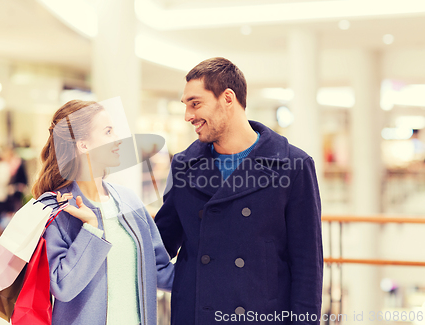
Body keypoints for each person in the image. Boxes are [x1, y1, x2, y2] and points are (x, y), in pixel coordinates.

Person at [155, 57, 323, 324]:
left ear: (228, 98)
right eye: (185, 106)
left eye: (195, 104)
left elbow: (307, 267)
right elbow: (161, 242)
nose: (188, 116)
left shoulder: (293, 166)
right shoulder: (184, 166)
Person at [32, 100, 174, 325]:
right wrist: (90, 229)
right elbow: (62, 286)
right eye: (108, 131)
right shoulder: (57, 207)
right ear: (83, 144)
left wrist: (217, 272)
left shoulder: (128, 201)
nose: (117, 139)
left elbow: (160, 270)